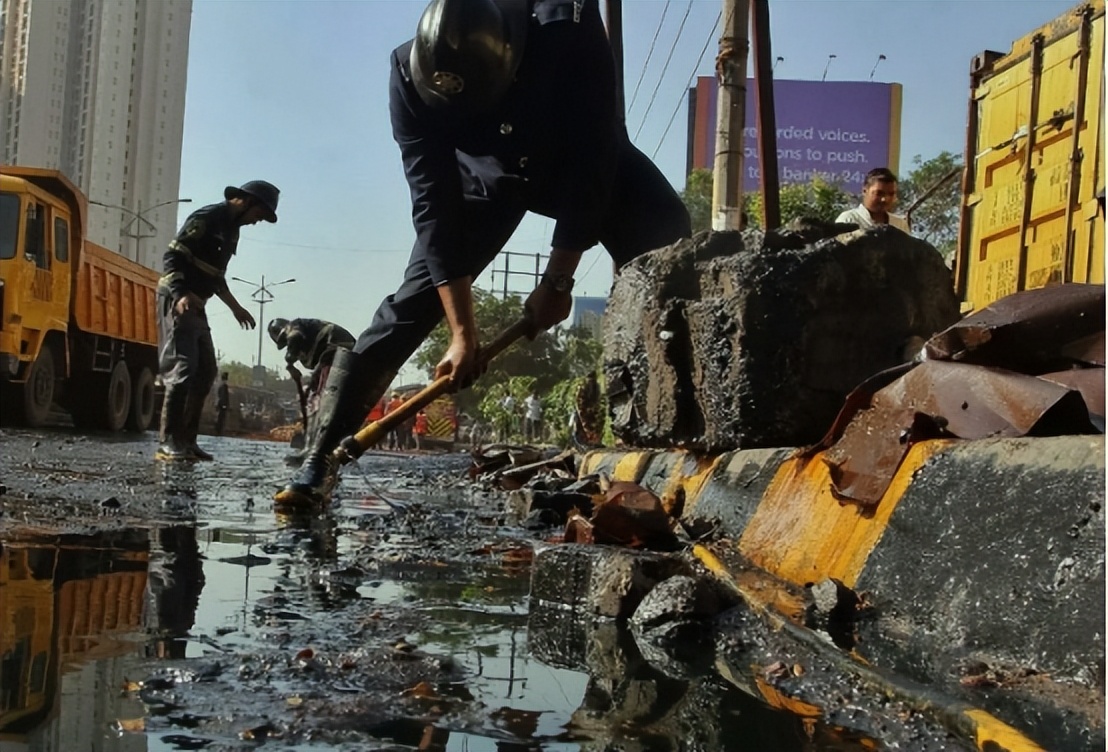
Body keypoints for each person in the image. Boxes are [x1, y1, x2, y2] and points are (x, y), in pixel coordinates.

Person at [278, 0, 690, 505]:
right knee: (411, 305)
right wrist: (461, 333)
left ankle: (661, 424)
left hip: (573, 154)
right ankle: (320, 458)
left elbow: (593, 159)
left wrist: (558, 281)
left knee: (667, 240)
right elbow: (433, 206)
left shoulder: (569, 24)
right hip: (486, 174)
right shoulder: (407, 75)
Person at [156, 180, 279, 461]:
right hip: (179, 298)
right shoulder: (207, 218)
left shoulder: (232, 231)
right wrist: (181, 294)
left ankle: (187, 441)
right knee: (183, 367)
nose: (257, 222)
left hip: (198, 304)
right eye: (259, 215)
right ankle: (168, 442)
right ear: (247, 202)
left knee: (206, 370)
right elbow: (172, 256)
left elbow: (215, 276)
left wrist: (236, 308)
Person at [835, 167, 910, 233]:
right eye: (879, 193)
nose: (884, 199)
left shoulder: (900, 225)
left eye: (891, 194)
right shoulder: (848, 220)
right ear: (864, 191)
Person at [574, 370, 602, 446]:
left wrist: (595, 409)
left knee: (595, 426)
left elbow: (597, 399)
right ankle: (584, 443)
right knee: (582, 427)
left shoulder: (596, 386)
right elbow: (579, 402)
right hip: (583, 409)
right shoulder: (582, 386)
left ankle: (594, 441)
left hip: (592, 409)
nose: (591, 380)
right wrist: (583, 411)